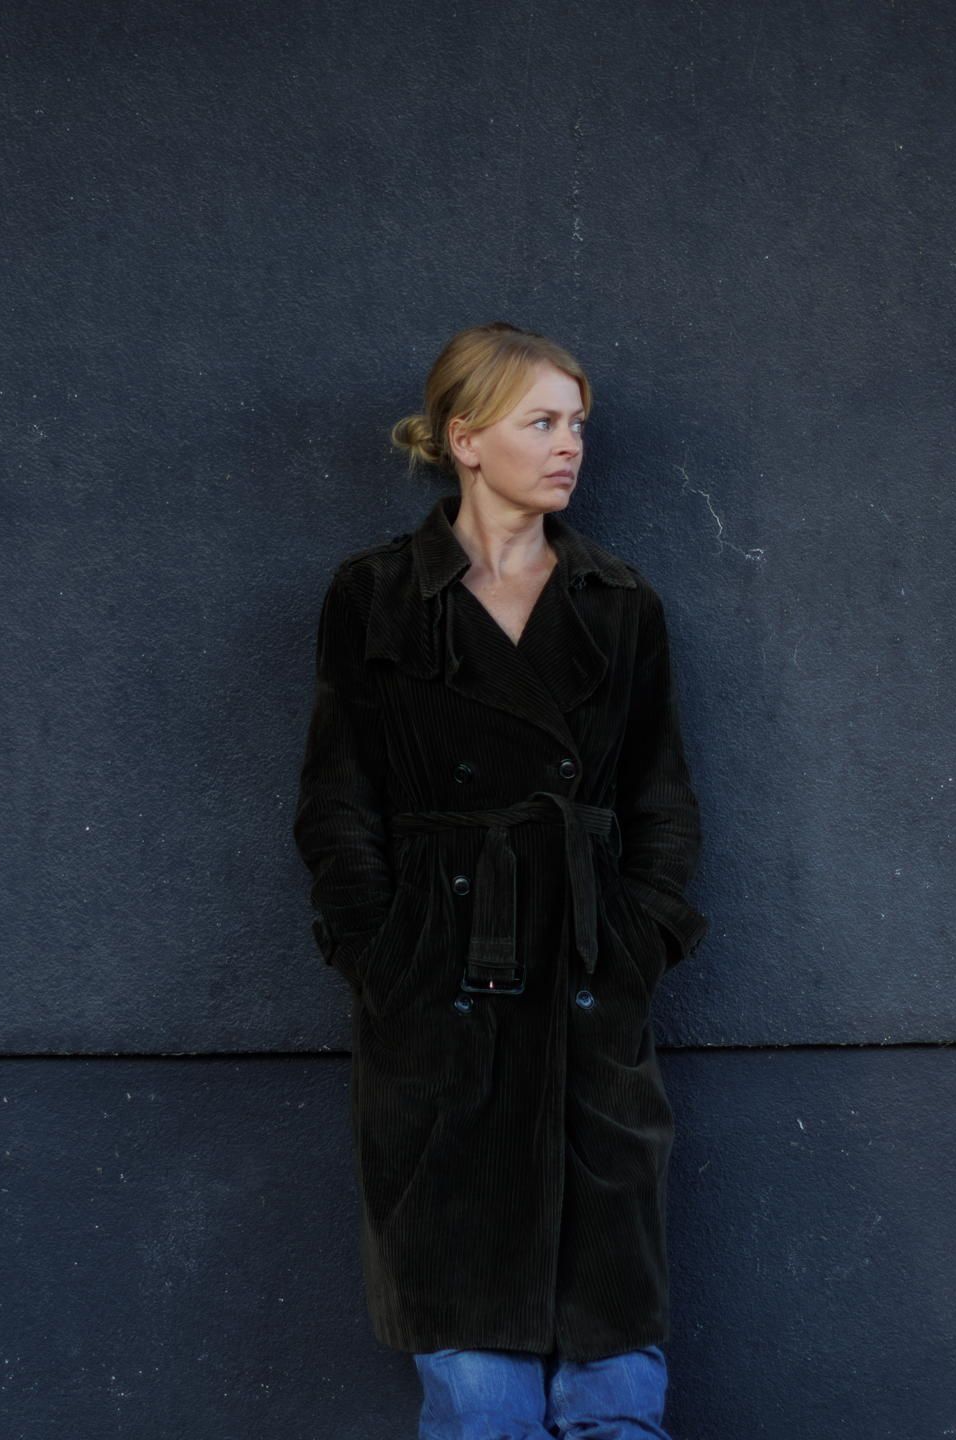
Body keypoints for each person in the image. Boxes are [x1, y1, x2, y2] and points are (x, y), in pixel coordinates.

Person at [292, 322, 711, 1439]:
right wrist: (386, 957)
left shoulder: (618, 602)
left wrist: (636, 943)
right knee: (481, 1399)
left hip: (584, 979)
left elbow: (662, 799)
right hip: (443, 989)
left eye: (578, 423)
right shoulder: (378, 596)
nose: (570, 445)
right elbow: (337, 801)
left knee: (615, 1377)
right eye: (542, 422)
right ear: (466, 439)